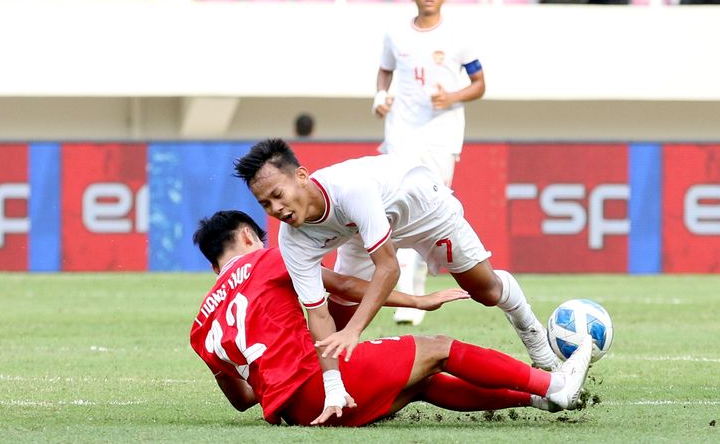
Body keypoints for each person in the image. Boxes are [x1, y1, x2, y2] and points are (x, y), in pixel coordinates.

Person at [234, 139, 562, 419]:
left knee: (486, 291)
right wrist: (331, 385)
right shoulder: (292, 240)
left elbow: (389, 269)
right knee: (338, 313)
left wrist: (355, 331)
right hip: (358, 233)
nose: (276, 208)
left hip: (422, 208)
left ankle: (531, 328)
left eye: (278, 194)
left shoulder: (350, 189)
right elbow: (317, 314)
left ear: (302, 176)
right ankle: (343, 389)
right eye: (265, 203)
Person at [189, 210, 593, 426]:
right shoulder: (268, 257)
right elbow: (344, 285)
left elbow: (243, 400)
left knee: (423, 383)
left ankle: (538, 399)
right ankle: (553, 383)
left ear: (213, 267)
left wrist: (275, 372)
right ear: (247, 237)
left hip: (295, 414)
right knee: (438, 349)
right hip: (321, 386)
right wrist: (417, 301)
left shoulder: (201, 327)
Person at [373, 0, 486, 326]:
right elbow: (385, 71)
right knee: (396, 206)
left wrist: (451, 97)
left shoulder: (458, 38)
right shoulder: (396, 34)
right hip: (402, 132)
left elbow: (479, 84)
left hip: (442, 135)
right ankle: (405, 296)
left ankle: (418, 282)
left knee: (431, 208)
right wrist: (380, 97)